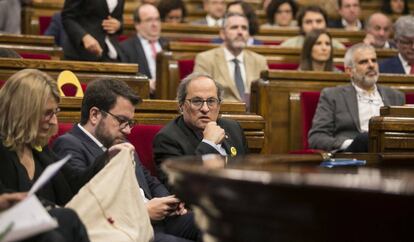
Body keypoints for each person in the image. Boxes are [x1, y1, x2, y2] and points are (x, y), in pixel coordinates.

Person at [52, 79, 201, 242]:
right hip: (125, 231)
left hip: (158, 220)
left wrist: (170, 202)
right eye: (122, 121)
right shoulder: (69, 144)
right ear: (95, 115)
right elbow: (86, 203)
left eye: (130, 123)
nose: (128, 130)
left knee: (218, 226)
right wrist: (142, 211)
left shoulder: (121, 142)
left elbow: (149, 181)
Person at [0, 69, 91, 242]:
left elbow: (75, 183)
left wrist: (107, 159)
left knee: (68, 218)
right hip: (6, 228)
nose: (54, 121)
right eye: (47, 113)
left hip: (29, 226)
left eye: (55, 112)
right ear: (24, 112)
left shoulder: (38, 149)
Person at [153, 72, 249, 185]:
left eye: (211, 101)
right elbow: (179, 186)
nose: (205, 108)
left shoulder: (233, 128)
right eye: (197, 101)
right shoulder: (167, 139)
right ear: (181, 105)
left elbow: (248, 172)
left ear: (219, 105)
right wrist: (209, 144)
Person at [308, 43, 405, 152]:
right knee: (363, 139)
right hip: (352, 156)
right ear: (349, 71)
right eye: (363, 62)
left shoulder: (396, 96)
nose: (371, 65)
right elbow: (316, 137)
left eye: (374, 60)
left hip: (388, 154)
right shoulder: (332, 96)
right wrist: (350, 144)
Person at [194, 13, 268, 103]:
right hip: (221, 114)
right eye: (234, 27)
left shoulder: (259, 61)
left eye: (244, 28)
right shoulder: (206, 59)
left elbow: (267, 95)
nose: (240, 32)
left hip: (254, 114)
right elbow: (199, 94)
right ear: (222, 33)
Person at [120, 4, 168, 95]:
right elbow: (124, 79)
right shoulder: (125, 48)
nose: (155, 24)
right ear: (137, 24)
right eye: (149, 20)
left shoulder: (168, 45)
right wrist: (146, 84)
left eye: (157, 19)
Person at [280, 5, 346, 49]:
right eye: (308, 22)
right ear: (301, 26)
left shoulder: (337, 46)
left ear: (326, 25)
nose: (314, 26)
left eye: (319, 21)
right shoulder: (288, 46)